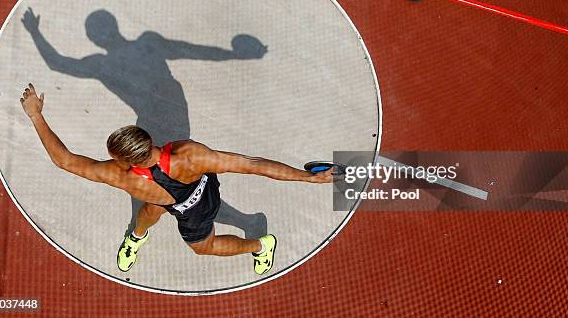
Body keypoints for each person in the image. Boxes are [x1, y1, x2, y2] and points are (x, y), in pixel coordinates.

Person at [20, 83, 333, 275]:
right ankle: (136, 238)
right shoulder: (191, 155)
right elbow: (253, 164)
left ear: (125, 161)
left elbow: (64, 160)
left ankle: (259, 246)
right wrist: (308, 178)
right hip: (200, 183)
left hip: (196, 210)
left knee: (203, 246)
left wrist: (36, 115)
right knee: (149, 210)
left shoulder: (122, 178)